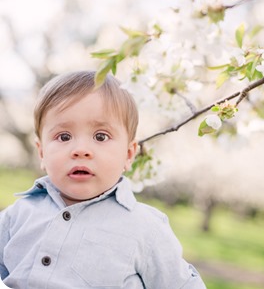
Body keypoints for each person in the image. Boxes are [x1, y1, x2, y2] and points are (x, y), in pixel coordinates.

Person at [0, 70, 207, 289]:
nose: (80, 150)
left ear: (128, 155)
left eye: (101, 136)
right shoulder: (17, 215)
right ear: (42, 153)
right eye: (64, 137)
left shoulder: (146, 228)